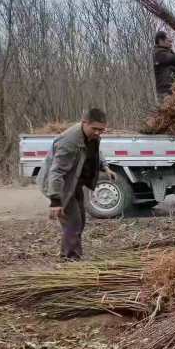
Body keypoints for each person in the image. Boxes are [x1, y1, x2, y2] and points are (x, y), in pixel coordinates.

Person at [38, 108, 116, 260]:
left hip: (74, 183)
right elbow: (56, 172)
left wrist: (105, 166)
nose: (98, 133)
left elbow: (95, 152)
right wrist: (55, 200)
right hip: (60, 186)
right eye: (95, 129)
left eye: (102, 130)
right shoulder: (69, 142)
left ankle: (68, 253)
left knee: (80, 220)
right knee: (73, 222)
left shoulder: (92, 135)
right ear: (84, 123)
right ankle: (71, 259)